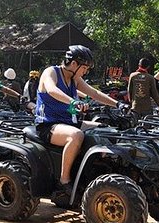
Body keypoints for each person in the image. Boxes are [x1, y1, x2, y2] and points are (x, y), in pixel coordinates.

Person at [35, 45, 124, 196]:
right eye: (85, 68)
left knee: (105, 130)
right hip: (49, 125)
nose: (86, 72)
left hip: (69, 122)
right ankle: (64, 181)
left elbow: (94, 93)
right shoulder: (51, 72)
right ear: (74, 64)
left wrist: (118, 104)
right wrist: (73, 102)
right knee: (76, 135)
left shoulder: (74, 79)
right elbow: (52, 90)